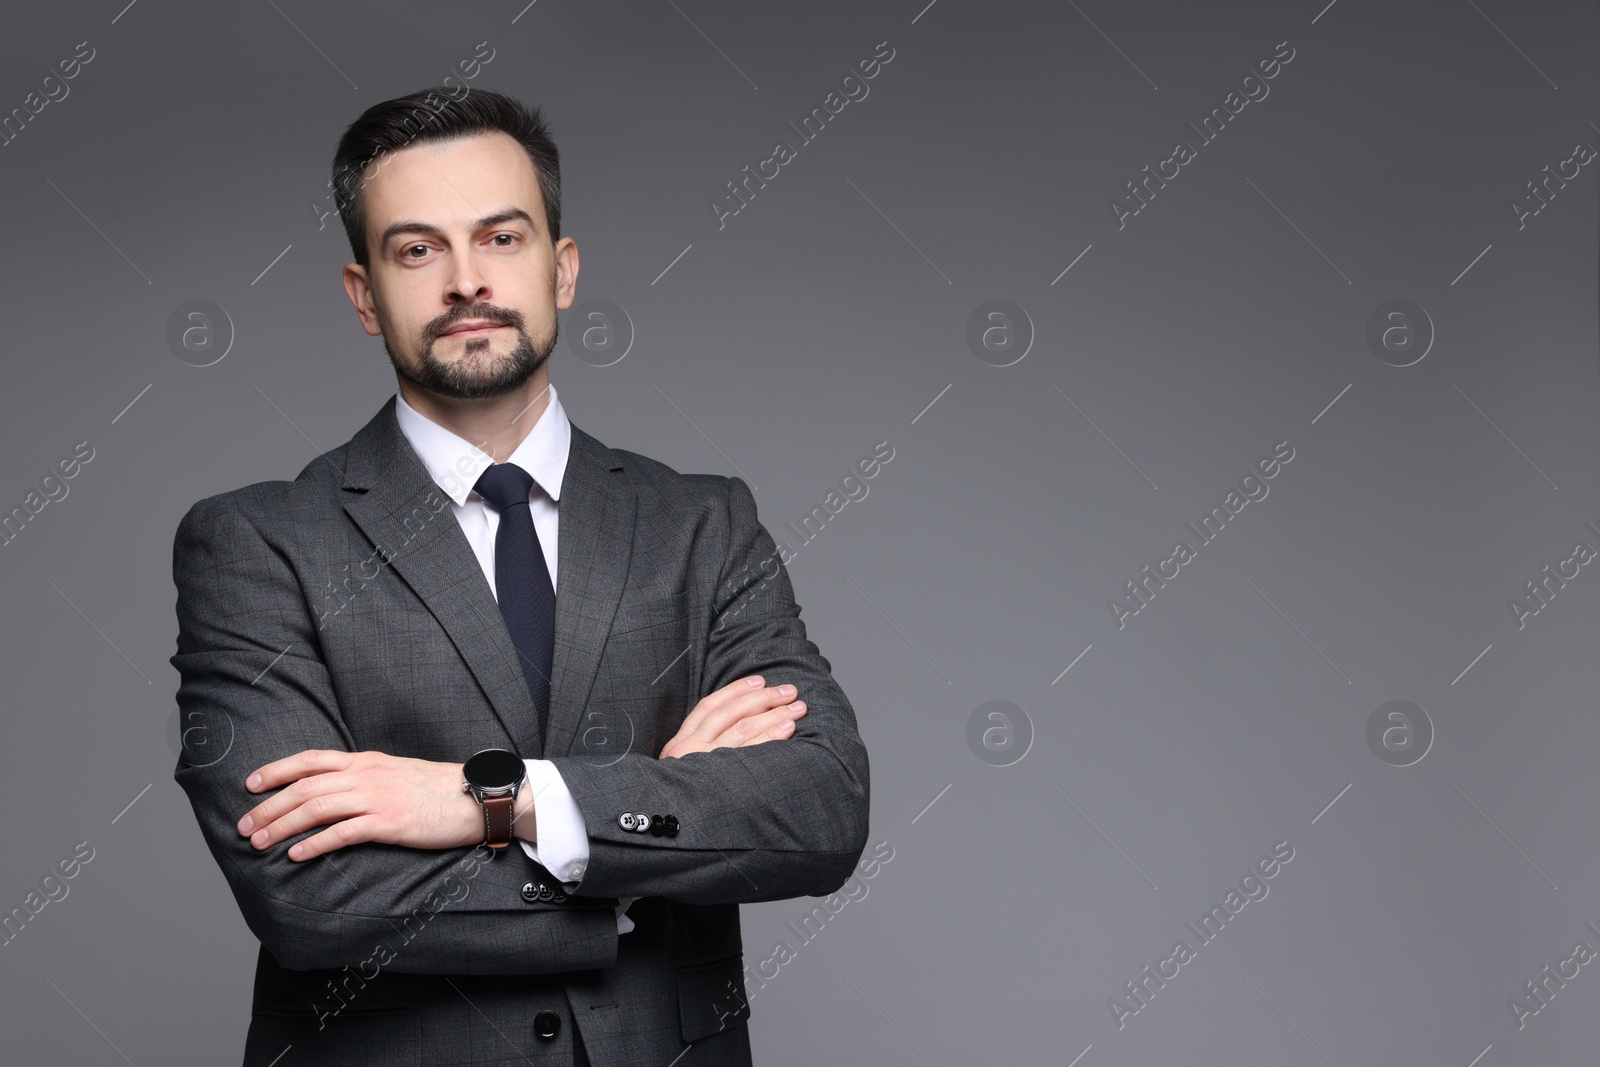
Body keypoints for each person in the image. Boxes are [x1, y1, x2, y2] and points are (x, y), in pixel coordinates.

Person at [169, 86, 870, 1067]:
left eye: (501, 237)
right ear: (363, 291)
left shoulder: (700, 523)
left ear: (562, 267)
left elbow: (819, 807)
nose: (466, 280)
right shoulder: (257, 540)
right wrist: (644, 843)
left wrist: (492, 798)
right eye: (417, 249)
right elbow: (306, 892)